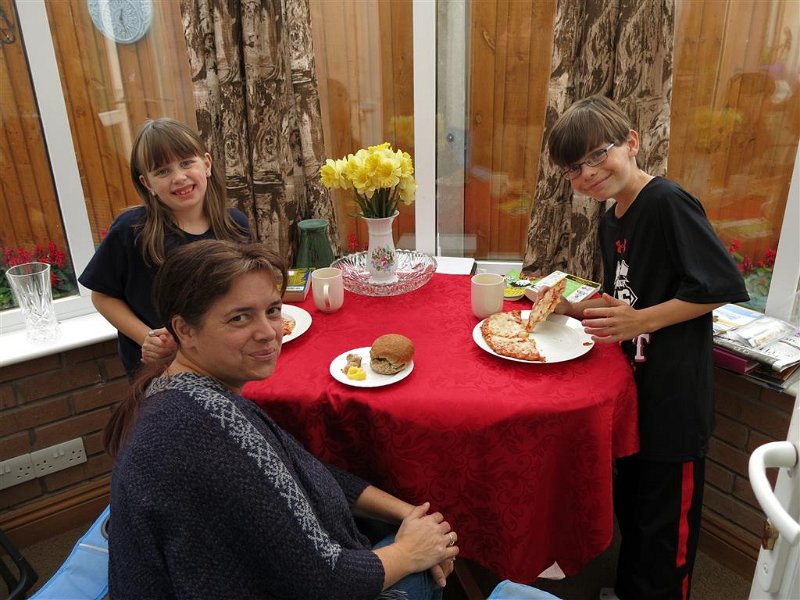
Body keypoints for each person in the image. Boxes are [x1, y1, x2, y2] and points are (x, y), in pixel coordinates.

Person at [103, 240, 459, 599]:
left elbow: (303, 472)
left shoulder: (185, 393)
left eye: (272, 310)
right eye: (239, 317)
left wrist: (409, 513)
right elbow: (325, 583)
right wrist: (411, 552)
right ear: (185, 330)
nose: (268, 331)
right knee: (427, 572)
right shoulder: (201, 429)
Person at [541, 95, 748, 600]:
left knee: (665, 532)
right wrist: (573, 308)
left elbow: (721, 284)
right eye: (574, 169)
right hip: (635, 392)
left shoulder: (667, 202)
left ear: (632, 143)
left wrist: (640, 321)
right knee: (634, 510)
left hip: (674, 401)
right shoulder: (611, 217)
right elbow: (627, 297)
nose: (589, 173)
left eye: (597, 155)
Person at [79, 118, 250, 378]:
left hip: (223, 359)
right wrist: (147, 338)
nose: (179, 178)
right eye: (162, 171)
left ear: (206, 164)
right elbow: (102, 296)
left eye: (186, 163)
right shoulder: (131, 230)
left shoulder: (235, 224)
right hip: (162, 371)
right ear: (147, 184)